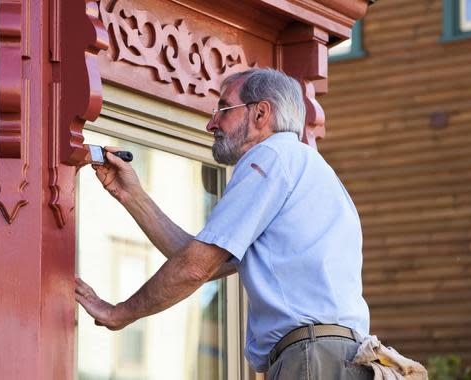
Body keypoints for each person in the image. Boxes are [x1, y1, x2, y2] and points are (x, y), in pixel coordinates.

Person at [75, 68, 372, 379]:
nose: (211, 123)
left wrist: (118, 312)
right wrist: (130, 195)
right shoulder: (304, 167)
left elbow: (194, 267)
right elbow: (195, 259)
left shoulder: (269, 156)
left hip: (313, 360)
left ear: (261, 113)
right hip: (335, 357)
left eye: (223, 109)